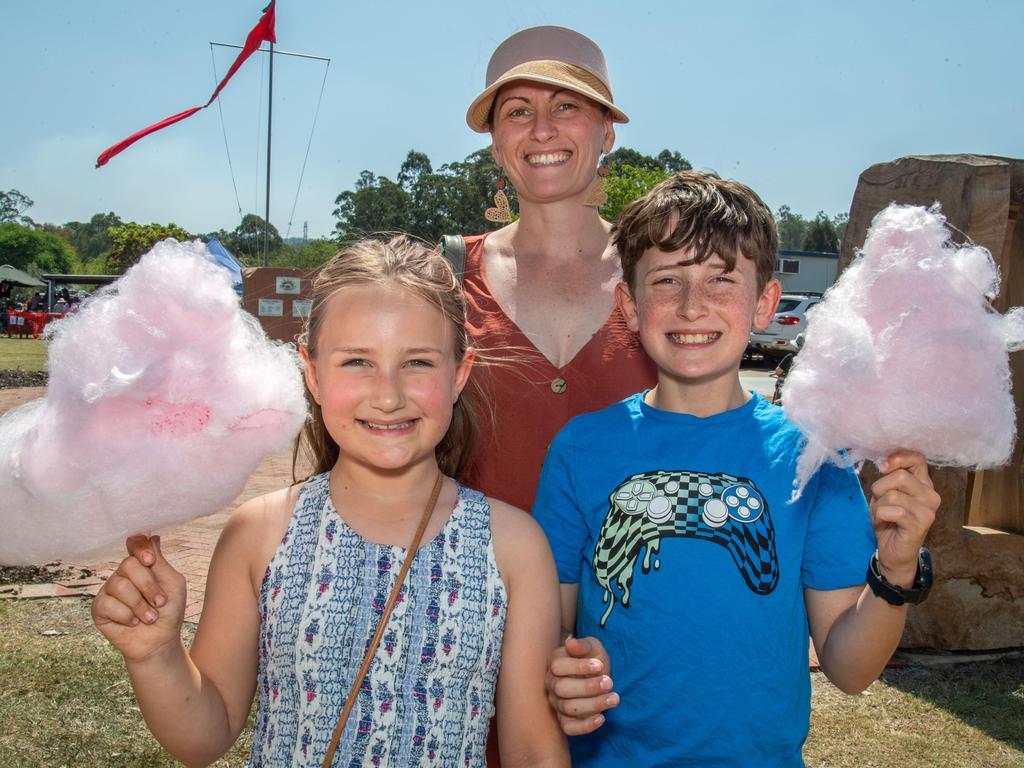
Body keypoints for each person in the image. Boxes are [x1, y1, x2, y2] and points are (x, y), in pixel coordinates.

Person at [92, 236, 568, 767]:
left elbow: (532, 749)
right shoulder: (259, 533)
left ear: (459, 375)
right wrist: (158, 655)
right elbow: (206, 736)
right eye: (357, 362)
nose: (387, 395)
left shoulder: (514, 546)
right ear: (312, 374)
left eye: (417, 362)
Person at [535, 172, 941, 766]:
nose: (692, 305)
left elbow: (850, 669)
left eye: (721, 280)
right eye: (666, 280)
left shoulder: (815, 456)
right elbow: (548, 634)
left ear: (764, 303)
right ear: (629, 304)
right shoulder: (580, 449)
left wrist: (897, 567)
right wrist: (557, 674)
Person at [459, 25, 656, 514]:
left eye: (567, 105)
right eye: (518, 111)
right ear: (496, 145)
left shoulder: (663, 277)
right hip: (477, 584)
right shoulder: (445, 278)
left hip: (636, 584)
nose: (542, 129)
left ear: (607, 132)